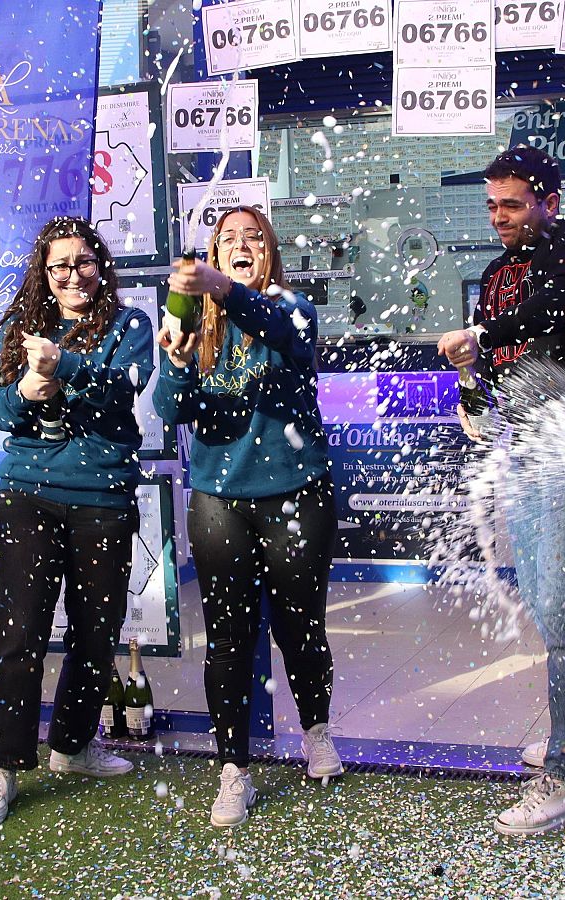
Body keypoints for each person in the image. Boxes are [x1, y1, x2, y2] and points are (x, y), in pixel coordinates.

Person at [436, 145, 565, 836]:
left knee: (563, 599)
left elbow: (554, 311)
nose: (499, 217)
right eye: (492, 205)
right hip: (526, 444)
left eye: (512, 204)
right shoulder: (495, 276)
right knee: (554, 599)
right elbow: (492, 364)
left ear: (548, 201)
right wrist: (470, 379)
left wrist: (481, 332)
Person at [153, 206, 342, 828]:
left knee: (300, 626)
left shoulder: (294, 307)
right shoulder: (194, 325)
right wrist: (176, 364)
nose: (240, 245)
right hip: (217, 500)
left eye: (252, 238)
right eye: (228, 238)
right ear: (213, 250)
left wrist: (223, 290)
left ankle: (316, 730)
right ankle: (234, 766)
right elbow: (170, 409)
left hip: (295, 494)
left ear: (269, 253)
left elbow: (281, 330)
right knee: (228, 637)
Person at [0, 216, 156, 828]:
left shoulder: (130, 325)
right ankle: (1, 767)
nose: (72, 275)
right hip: (27, 496)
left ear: (100, 265)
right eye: (58, 267)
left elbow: (121, 386)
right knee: (19, 634)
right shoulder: (22, 327)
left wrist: (63, 367)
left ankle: (72, 748)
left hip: (101, 495)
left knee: (95, 632)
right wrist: (25, 389)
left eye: (82, 262)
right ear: (43, 275)